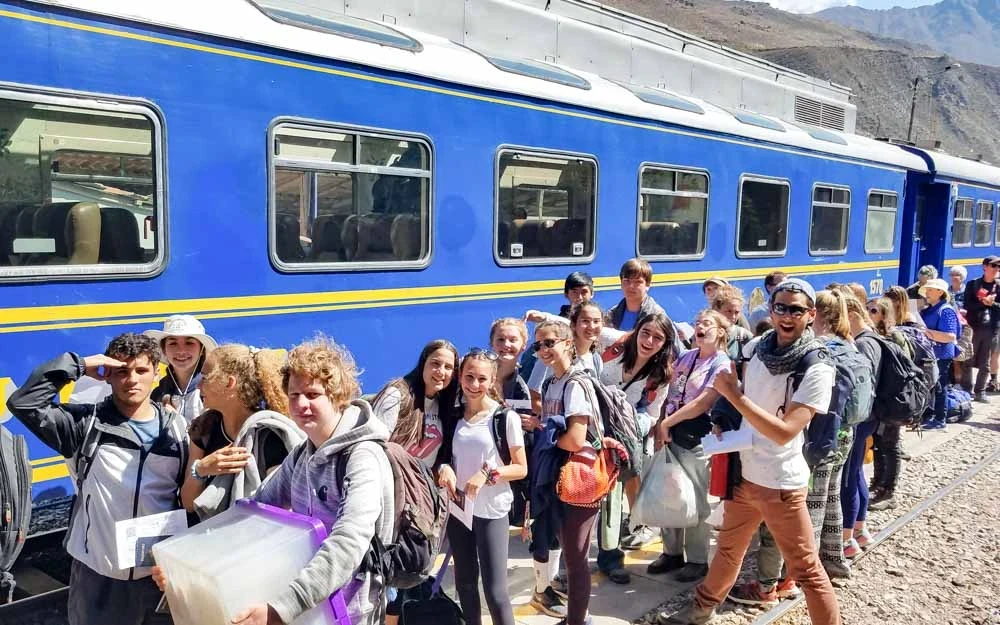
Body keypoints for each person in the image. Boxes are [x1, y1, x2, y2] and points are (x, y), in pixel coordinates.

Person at [661, 278, 841, 625]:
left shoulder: (817, 365)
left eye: (796, 310)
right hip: (746, 474)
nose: (786, 316)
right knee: (729, 549)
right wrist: (723, 415)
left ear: (811, 315)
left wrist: (734, 397)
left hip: (781, 485)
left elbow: (785, 432)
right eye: (780, 307)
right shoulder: (758, 347)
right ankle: (699, 611)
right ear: (770, 309)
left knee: (806, 570)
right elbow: (743, 391)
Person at [8, 333, 186, 625]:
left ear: (156, 373)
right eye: (121, 371)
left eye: (141, 370)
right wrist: (79, 366)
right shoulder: (85, 424)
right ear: (108, 375)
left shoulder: (177, 429)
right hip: (99, 580)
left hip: (156, 579)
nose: (132, 380)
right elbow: (24, 402)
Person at [230, 337, 395, 625]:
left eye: (312, 394)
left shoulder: (362, 457)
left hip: (351, 612)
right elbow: (255, 511)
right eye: (294, 395)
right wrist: (197, 560)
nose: (300, 404)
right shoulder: (301, 455)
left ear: (337, 396)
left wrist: (283, 607)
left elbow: (348, 542)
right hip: (310, 607)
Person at [437, 349, 528, 625]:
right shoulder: (453, 416)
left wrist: (487, 474)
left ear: (492, 380)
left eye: (481, 379)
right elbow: (445, 456)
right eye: (469, 377)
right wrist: (445, 468)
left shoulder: (504, 418)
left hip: (491, 512)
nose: (474, 385)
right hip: (459, 510)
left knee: (495, 592)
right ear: (460, 376)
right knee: (464, 584)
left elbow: (521, 467)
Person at [650, 310, 730, 583]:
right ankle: (671, 552)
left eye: (707, 323)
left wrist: (666, 423)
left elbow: (702, 403)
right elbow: (668, 391)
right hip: (671, 433)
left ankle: (697, 559)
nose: (700, 327)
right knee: (670, 493)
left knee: (695, 498)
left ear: (720, 331)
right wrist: (661, 423)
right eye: (698, 323)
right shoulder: (686, 357)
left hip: (696, 437)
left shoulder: (721, 364)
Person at [534, 319, 603, 625]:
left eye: (550, 342)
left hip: (579, 477)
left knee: (576, 558)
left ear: (567, 343)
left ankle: (577, 620)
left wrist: (546, 438)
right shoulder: (550, 383)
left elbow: (575, 439)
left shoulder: (575, 383)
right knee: (568, 549)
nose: (543, 349)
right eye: (538, 345)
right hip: (559, 474)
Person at [181, 345, 302, 520]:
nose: (199, 386)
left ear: (229, 383)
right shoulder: (204, 428)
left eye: (205, 378)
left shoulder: (270, 434)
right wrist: (202, 469)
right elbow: (188, 504)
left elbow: (281, 508)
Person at [372, 340, 460, 469]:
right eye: (435, 363)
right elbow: (375, 446)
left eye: (448, 367)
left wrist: (443, 467)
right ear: (423, 363)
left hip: (421, 481)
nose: (441, 372)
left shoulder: (445, 407)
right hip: (390, 478)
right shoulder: (396, 395)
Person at [868, 293, 916, 512]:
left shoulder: (895, 337)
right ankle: (878, 483)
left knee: (891, 444)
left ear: (884, 314)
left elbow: (903, 370)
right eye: (868, 309)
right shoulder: (874, 334)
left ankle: (889, 491)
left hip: (893, 400)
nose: (869, 314)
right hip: (880, 399)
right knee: (879, 443)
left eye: (874, 311)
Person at [490, 318, 533, 527]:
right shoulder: (476, 373)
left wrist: (533, 424)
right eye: (500, 339)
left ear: (523, 345)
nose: (506, 345)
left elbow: (522, 432)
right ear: (492, 343)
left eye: (513, 340)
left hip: (503, 468)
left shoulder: (521, 387)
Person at [520, 272, 595, 383]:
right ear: (566, 294)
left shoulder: (597, 319)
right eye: (574, 292)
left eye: (584, 292)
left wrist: (545, 317)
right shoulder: (556, 323)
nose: (579, 297)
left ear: (592, 294)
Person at [145, 315, 218, 424]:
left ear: (201, 349)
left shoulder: (215, 389)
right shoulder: (158, 394)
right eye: (173, 343)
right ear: (164, 350)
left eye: (189, 343)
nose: (181, 350)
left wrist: (177, 421)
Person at [919, 278, 959, 431]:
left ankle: (940, 420)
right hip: (932, 353)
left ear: (940, 292)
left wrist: (926, 332)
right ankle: (929, 415)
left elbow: (950, 336)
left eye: (930, 290)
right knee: (931, 385)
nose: (927, 293)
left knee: (940, 387)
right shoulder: (929, 309)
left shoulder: (946, 310)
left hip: (941, 355)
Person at [963, 256, 1000, 401]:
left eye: (999, 267)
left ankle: (980, 391)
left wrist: (992, 304)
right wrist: (983, 303)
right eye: (994, 266)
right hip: (974, 326)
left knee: (986, 362)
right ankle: (966, 390)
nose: (997, 269)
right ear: (985, 267)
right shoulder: (973, 284)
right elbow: (967, 305)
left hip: (992, 328)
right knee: (968, 359)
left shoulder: (999, 286)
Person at [606, 258, 666, 331]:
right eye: (627, 281)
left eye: (637, 282)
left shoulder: (657, 315)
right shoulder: (612, 314)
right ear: (621, 283)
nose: (631, 286)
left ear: (647, 285)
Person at [712, 285, 754, 368]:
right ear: (717, 309)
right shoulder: (705, 333)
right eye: (729, 311)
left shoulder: (744, 336)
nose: (733, 316)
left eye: (737, 312)